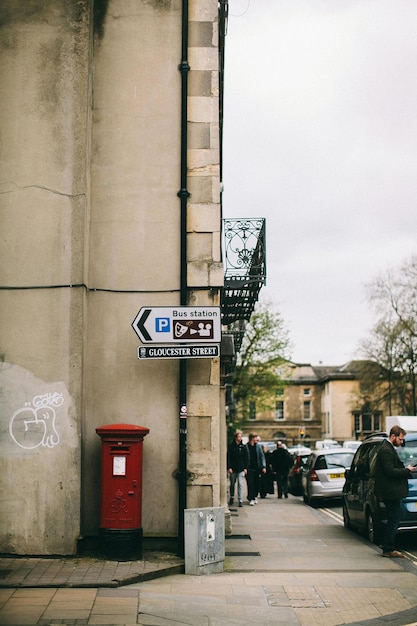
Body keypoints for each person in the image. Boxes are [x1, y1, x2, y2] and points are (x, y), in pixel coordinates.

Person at [373, 425, 416, 558]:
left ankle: (385, 543)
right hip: (389, 492)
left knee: (393, 518)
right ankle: (388, 549)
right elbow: (390, 471)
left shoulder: (387, 448)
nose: (402, 442)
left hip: (390, 491)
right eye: (401, 439)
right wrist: (407, 470)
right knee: (394, 519)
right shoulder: (386, 450)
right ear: (393, 436)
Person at [227, 430, 249, 507]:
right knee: (232, 484)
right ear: (236, 437)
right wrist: (229, 467)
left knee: (240, 484)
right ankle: (232, 496)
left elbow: (246, 458)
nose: (240, 438)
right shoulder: (231, 446)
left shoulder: (243, 447)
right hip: (233, 468)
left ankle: (240, 499)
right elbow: (228, 457)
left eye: (241, 436)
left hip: (241, 468)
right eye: (239, 436)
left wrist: (245, 467)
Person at [246, 432, 266, 505]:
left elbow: (261, 457)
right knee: (250, 483)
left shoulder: (258, 447)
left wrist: (263, 466)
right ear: (252, 438)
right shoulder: (246, 446)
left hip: (257, 468)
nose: (256, 439)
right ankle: (251, 498)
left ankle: (255, 496)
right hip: (249, 468)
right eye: (255, 437)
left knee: (256, 483)